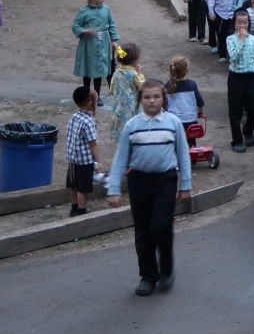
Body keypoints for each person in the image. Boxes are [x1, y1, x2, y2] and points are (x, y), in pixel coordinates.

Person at [106, 79, 192, 296]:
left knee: (161, 226)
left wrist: (186, 185)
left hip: (165, 180)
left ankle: (166, 270)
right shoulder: (132, 126)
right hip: (139, 182)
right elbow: (120, 159)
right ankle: (147, 276)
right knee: (143, 230)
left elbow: (183, 155)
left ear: (163, 99)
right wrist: (113, 189)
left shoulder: (173, 123)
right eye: (147, 97)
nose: (152, 101)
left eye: (156, 96)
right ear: (140, 100)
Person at [225, 11, 254, 155]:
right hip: (236, 77)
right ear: (235, 23)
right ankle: (236, 140)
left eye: (245, 22)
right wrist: (241, 40)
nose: (242, 25)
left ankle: (248, 131)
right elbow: (234, 57)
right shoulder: (230, 39)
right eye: (239, 23)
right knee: (235, 111)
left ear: (249, 23)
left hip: (251, 78)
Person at [72, 0, 119, 105]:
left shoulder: (106, 9)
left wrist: (114, 40)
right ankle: (87, 94)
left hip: (103, 43)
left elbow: (112, 25)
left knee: (100, 69)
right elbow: (75, 25)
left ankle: (97, 95)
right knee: (88, 69)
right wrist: (84, 31)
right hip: (88, 45)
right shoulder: (84, 11)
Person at [65, 85, 102, 216]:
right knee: (83, 188)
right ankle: (82, 211)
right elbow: (93, 144)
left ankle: (74, 208)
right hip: (84, 160)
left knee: (74, 185)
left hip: (73, 158)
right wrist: (98, 161)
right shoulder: (88, 121)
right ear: (91, 102)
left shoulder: (74, 117)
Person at [108, 43, 144, 142]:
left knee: (122, 130)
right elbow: (142, 87)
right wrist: (140, 74)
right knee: (133, 130)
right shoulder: (134, 74)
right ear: (135, 60)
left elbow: (111, 90)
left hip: (118, 106)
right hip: (132, 107)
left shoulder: (116, 73)